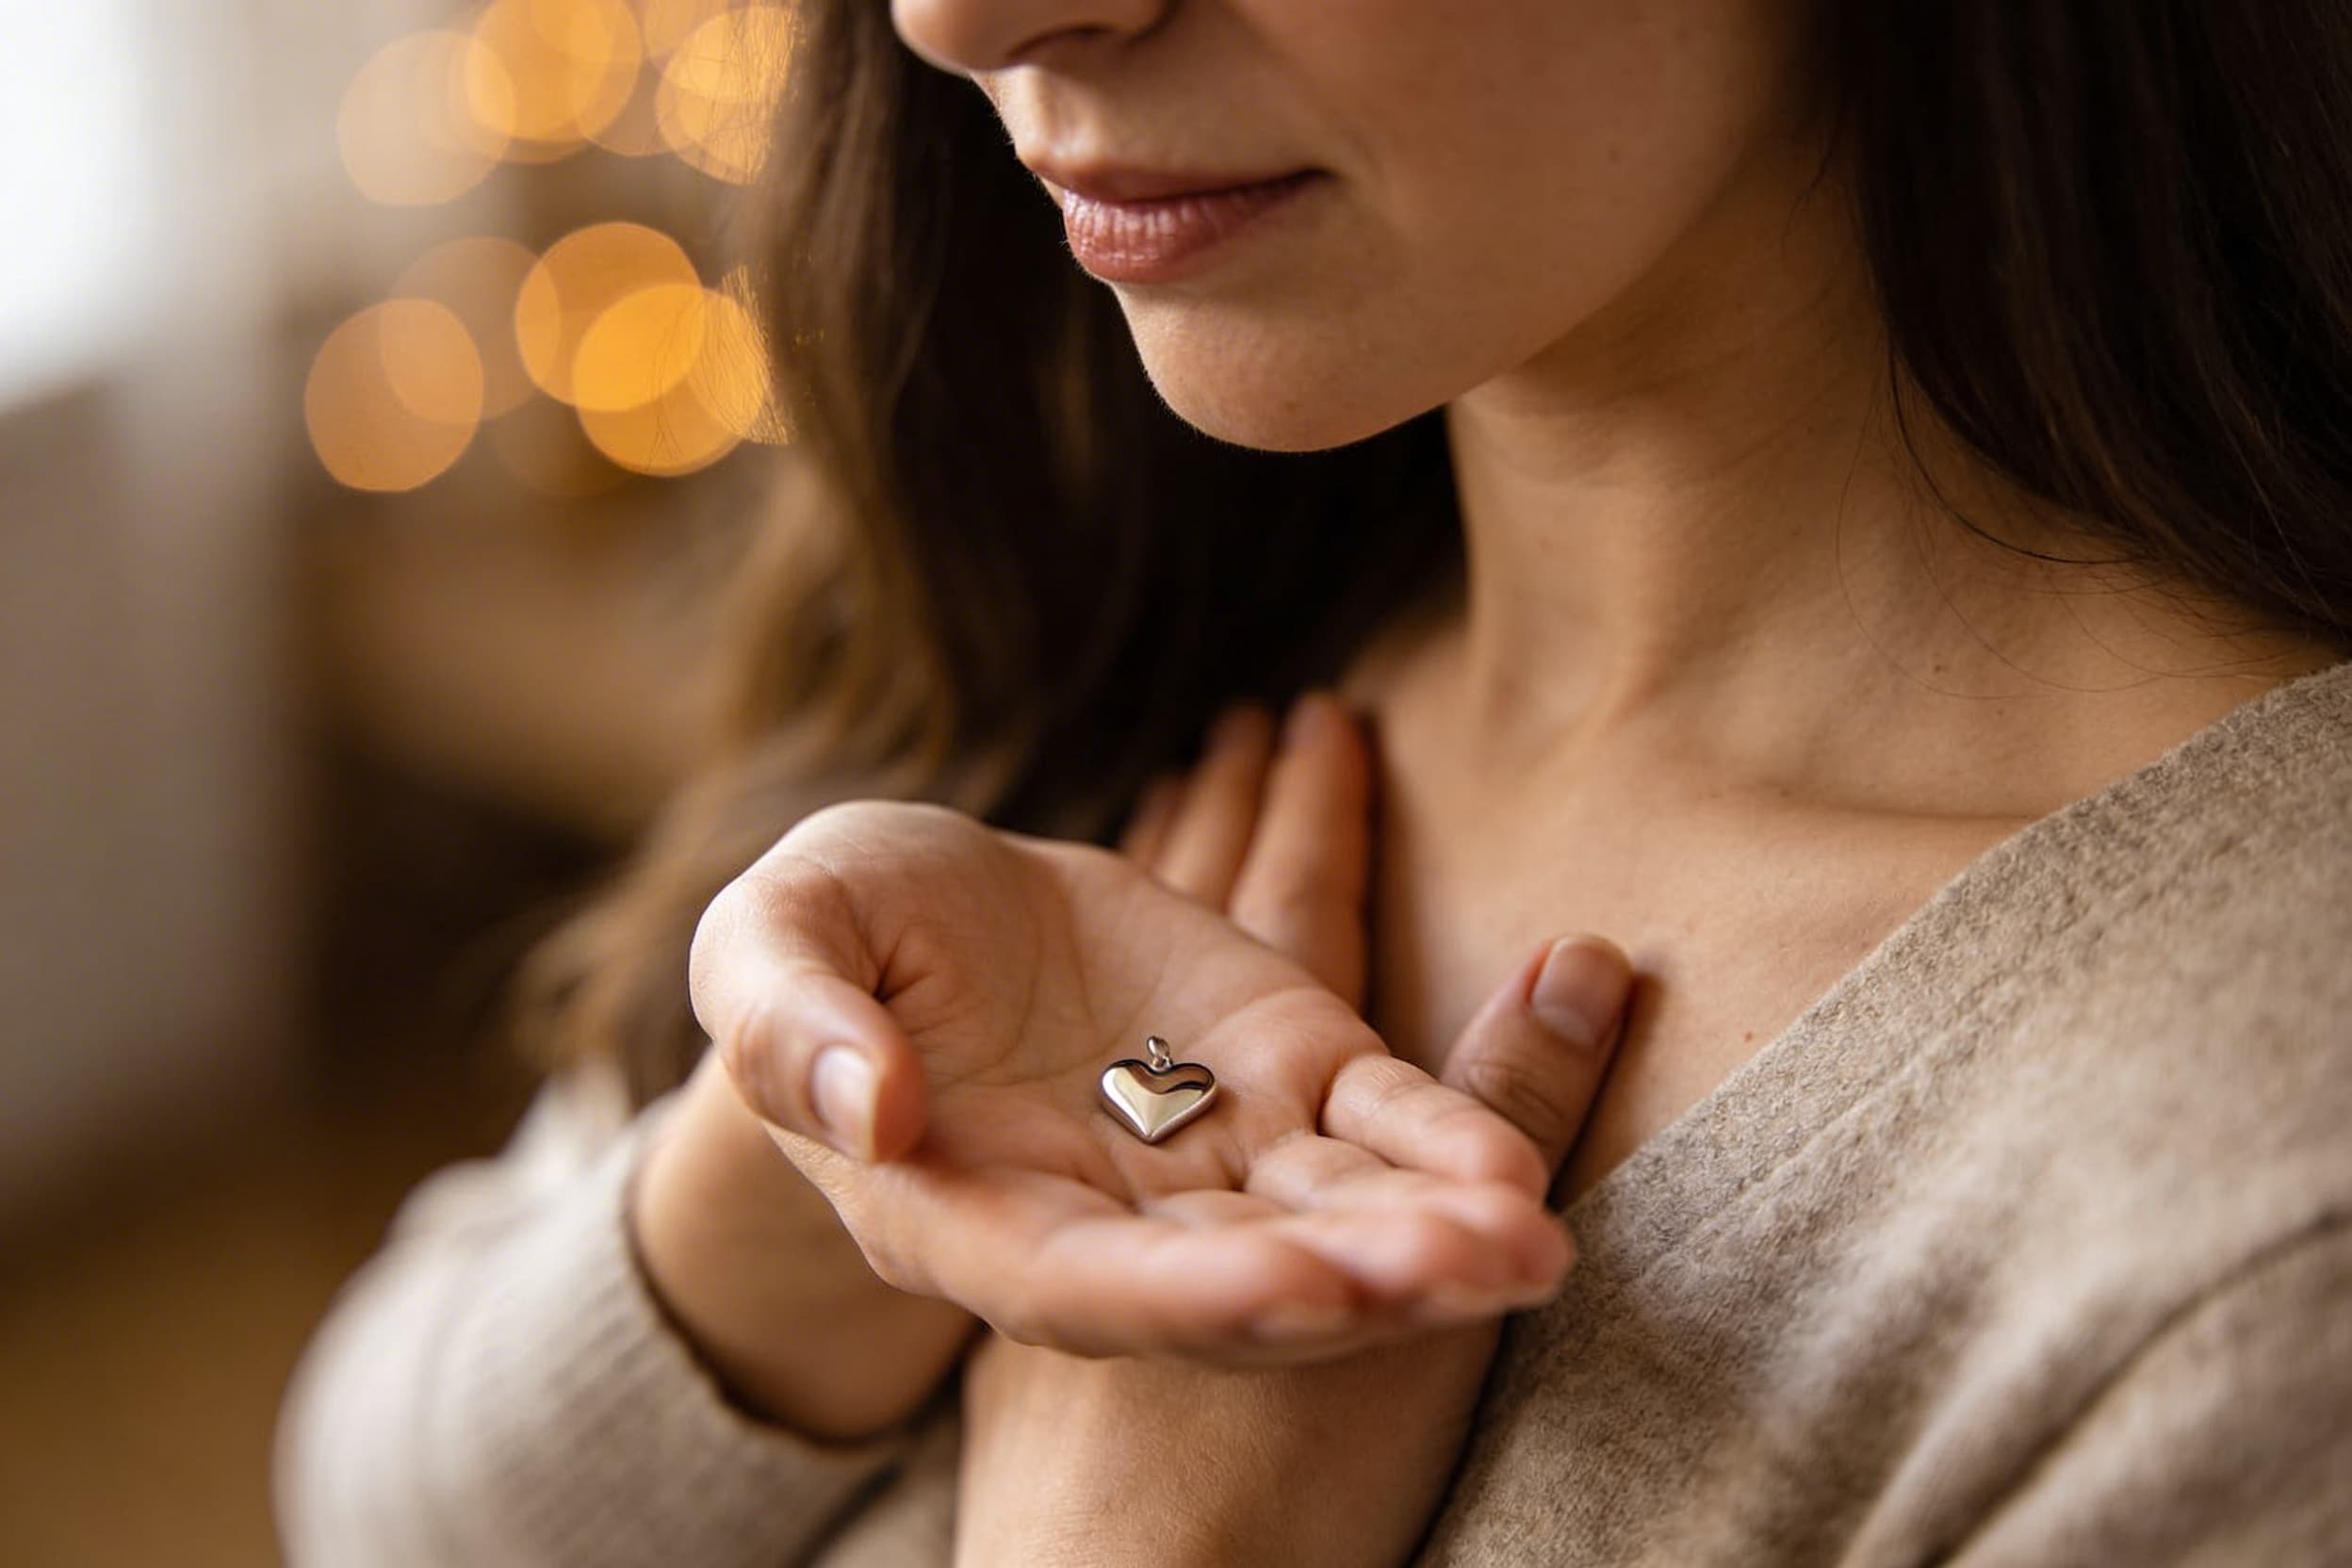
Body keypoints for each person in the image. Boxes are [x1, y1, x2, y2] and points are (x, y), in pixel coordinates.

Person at [277, 1, 2352, 1563]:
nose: (964, 16)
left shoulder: (2252, 1270)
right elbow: (368, 1498)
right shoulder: (1121, 577)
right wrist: (796, 1180)